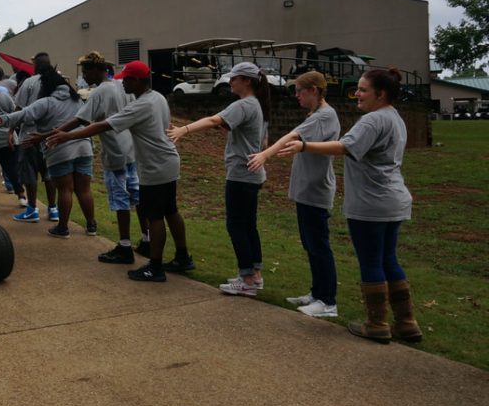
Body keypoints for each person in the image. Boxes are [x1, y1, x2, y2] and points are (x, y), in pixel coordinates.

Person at [277, 68, 421, 343]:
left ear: (380, 94)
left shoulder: (372, 120)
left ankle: (377, 323)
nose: (357, 94)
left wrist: (304, 146)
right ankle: (406, 322)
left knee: (371, 261)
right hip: (394, 200)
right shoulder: (394, 117)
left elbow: (344, 147)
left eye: (363, 90)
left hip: (371, 204)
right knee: (389, 258)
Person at [48, 60, 190, 282]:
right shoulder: (158, 97)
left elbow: (103, 125)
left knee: (154, 216)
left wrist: (68, 136)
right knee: (170, 210)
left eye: (126, 79)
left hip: (155, 166)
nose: (121, 83)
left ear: (137, 80)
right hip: (167, 161)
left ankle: (155, 266)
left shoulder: (140, 105)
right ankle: (182, 257)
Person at [168, 61, 270, 296]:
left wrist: (183, 130)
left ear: (246, 80)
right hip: (253, 176)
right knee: (248, 225)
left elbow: (214, 120)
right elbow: (261, 141)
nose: (230, 82)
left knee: (236, 226)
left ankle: (246, 281)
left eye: (234, 78)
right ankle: (254, 275)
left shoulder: (244, 104)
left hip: (241, 175)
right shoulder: (258, 106)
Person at [248, 71, 341, 317]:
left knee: (319, 245)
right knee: (311, 245)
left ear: (314, 90)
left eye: (300, 91)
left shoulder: (324, 116)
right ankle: (317, 293)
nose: (297, 96)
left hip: (316, 191)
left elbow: (293, 136)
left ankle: (328, 301)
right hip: (307, 191)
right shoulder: (316, 115)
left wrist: (264, 155)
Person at [0, 67, 94, 238]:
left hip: (60, 150)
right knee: (84, 190)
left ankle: (62, 228)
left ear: (47, 86)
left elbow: (23, 113)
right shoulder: (77, 100)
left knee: (65, 190)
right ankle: (91, 226)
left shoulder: (47, 102)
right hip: (84, 148)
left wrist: (3, 120)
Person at [12, 53, 59, 222]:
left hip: (29, 135)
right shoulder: (57, 81)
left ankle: (32, 209)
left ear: (35, 66)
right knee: (49, 173)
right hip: (50, 134)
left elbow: (18, 109)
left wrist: (11, 130)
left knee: (29, 173)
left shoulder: (29, 82)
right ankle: (53, 209)